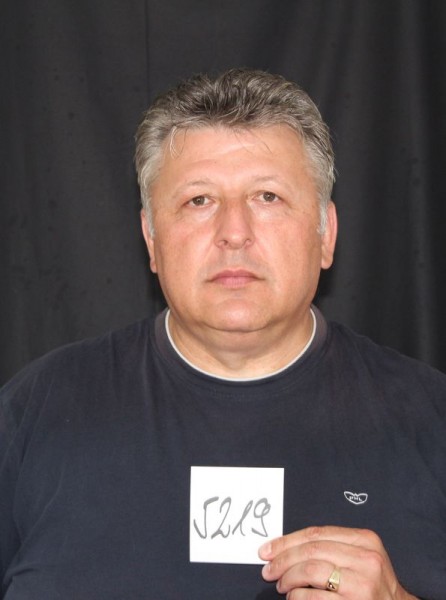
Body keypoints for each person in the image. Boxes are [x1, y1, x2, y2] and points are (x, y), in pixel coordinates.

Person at [0, 68, 445, 600]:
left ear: (326, 234)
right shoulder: (35, 412)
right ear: (151, 238)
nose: (234, 232)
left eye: (268, 197)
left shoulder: (431, 422)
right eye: (199, 201)